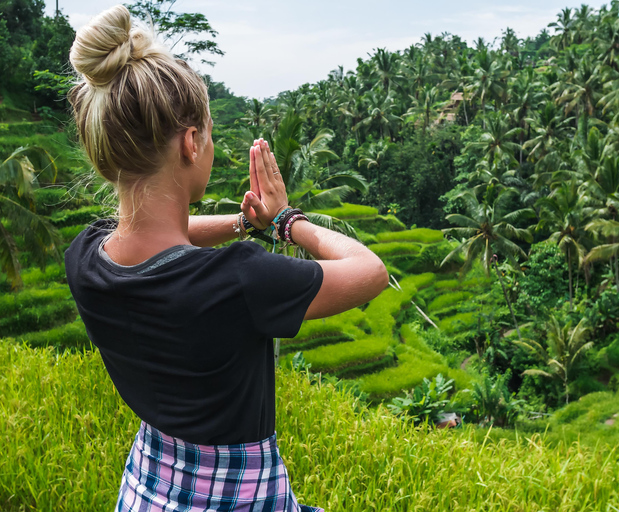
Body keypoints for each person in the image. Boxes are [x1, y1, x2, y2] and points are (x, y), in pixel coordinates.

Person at [63, 5, 388, 511]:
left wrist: (244, 224)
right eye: (210, 133)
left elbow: (158, 235)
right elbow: (371, 271)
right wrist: (286, 220)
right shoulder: (238, 279)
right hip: (239, 496)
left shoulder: (86, 256)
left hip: (149, 486)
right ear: (191, 143)